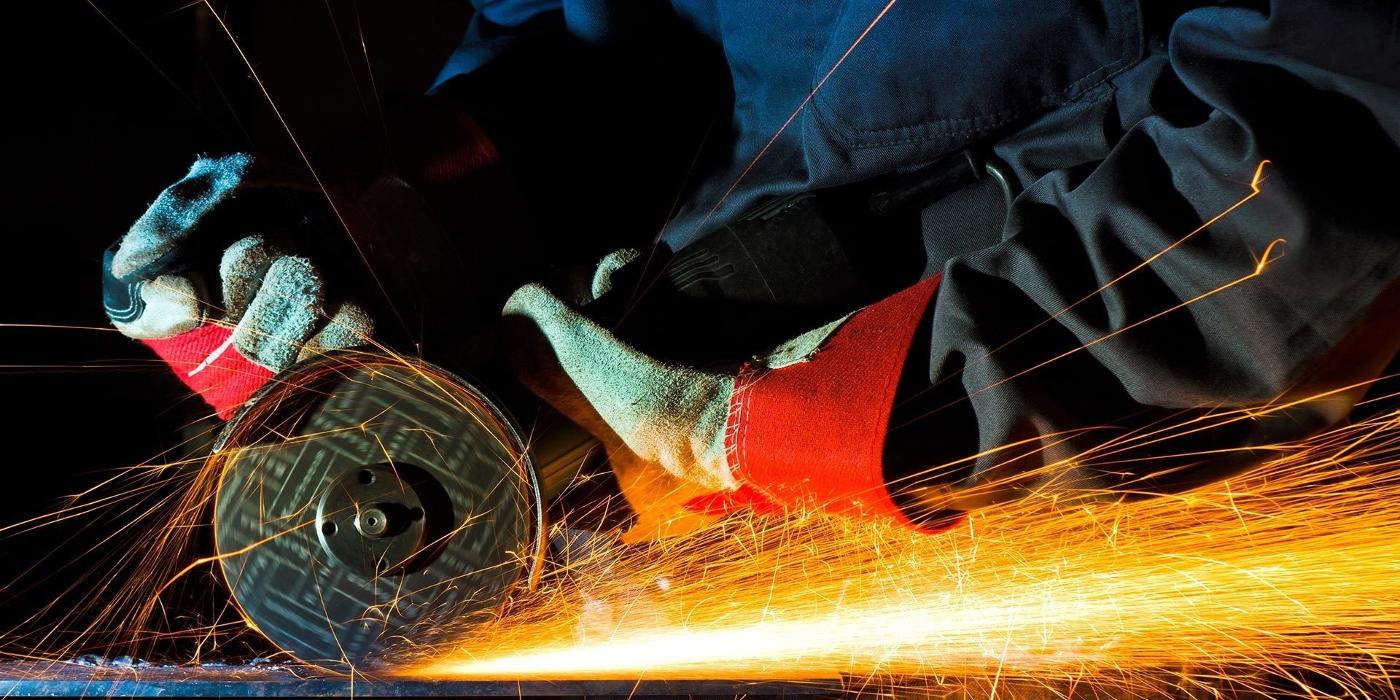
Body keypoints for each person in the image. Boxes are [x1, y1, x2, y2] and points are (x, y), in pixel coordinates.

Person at [103, 0, 1399, 537]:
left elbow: (1338, 134)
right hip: (745, 347)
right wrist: (406, 224)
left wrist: (885, 408)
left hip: (1076, 434)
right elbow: (615, 39)